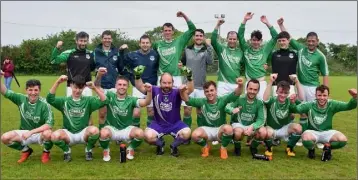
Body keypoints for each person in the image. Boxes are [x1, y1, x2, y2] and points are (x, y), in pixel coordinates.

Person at [278, 17, 329, 149]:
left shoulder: (320, 56)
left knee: (314, 112)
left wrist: (325, 91)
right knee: (301, 111)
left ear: (317, 42)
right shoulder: (301, 49)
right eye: (309, 41)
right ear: (306, 41)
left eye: (313, 41)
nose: (311, 43)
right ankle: (300, 135)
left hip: (313, 87)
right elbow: (288, 37)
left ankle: (316, 137)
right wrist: (281, 25)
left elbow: (325, 74)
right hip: (299, 86)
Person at [134, 65, 194, 157]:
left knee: (187, 133)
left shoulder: (178, 91)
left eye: (169, 83)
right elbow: (140, 87)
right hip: (158, 124)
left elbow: (190, 90)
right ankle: (160, 144)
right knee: (147, 136)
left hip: (175, 124)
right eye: (164, 83)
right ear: (160, 82)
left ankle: (173, 146)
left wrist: (189, 78)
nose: (166, 85)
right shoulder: (154, 89)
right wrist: (137, 76)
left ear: (173, 83)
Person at [94, 68, 152, 161]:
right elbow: (97, 87)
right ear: (116, 86)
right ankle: (106, 149)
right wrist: (99, 75)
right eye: (120, 84)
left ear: (128, 87)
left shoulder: (131, 99)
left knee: (140, 133)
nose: (122, 87)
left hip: (126, 130)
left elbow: (146, 102)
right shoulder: (109, 95)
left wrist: (149, 91)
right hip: (111, 129)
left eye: (124, 85)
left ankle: (130, 149)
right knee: (103, 133)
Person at [47, 75, 106, 162]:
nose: (78, 91)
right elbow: (50, 99)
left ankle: (88, 149)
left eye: (80, 88)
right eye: (75, 87)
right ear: (71, 86)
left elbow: (105, 100)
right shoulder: (64, 101)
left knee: (95, 130)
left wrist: (94, 88)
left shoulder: (88, 100)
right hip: (68, 134)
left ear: (84, 88)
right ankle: (67, 150)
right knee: (54, 136)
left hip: (83, 134)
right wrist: (58, 82)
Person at [180, 78, 243, 159]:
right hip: (206, 130)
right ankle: (205, 147)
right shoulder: (202, 102)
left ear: (216, 90)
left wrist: (240, 85)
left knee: (229, 129)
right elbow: (187, 100)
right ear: (204, 93)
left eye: (211, 90)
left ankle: (223, 148)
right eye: (207, 91)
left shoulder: (222, 100)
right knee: (195, 135)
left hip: (219, 129)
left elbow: (236, 93)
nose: (209, 93)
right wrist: (182, 91)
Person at [289, 85, 357, 161]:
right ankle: (311, 149)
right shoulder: (310, 105)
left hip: (327, 132)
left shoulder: (332, 104)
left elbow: (348, 106)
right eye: (319, 95)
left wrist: (354, 98)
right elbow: (296, 109)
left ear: (328, 96)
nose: (322, 98)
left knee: (342, 140)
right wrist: (292, 102)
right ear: (315, 95)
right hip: (313, 132)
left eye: (324, 95)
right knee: (305, 137)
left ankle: (327, 147)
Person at [0, 70, 54, 163]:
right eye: (30, 90)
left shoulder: (45, 104)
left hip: (39, 133)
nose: (33, 93)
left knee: (48, 134)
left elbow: (49, 124)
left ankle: (46, 152)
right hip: (25, 133)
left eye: (36, 90)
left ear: (39, 90)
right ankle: (26, 150)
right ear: (26, 90)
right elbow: (5, 92)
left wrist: (31, 132)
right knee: (5, 138)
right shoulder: (21, 99)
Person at [120, 35, 159, 128]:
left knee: (151, 112)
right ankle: (136, 133)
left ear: (150, 44)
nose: (145, 45)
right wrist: (121, 50)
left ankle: (150, 133)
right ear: (139, 44)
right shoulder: (133, 55)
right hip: (137, 87)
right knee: (136, 112)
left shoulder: (155, 54)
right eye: (143, 43)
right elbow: (122, 64)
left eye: (147, 43)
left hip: (151, 87)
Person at [238, 12, 279, 100]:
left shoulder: (265, 49)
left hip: (261, 83)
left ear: (261, 41)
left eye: (258, 40)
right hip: (249, 82)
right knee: (248, 107)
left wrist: (267, 23)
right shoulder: (246, 49)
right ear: (250, 40)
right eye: (254, 40)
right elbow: (240, 36)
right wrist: (245, 20)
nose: (256, 42)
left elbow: (276, 36)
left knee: (263, 104)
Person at [262, 73, 304, 157]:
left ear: (288, 93)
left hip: (285, 129)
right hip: (272, 129)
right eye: (281, 92)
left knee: (298, 128)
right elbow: (265, 99)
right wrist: (271, 81)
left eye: (285, 93)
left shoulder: (290, 100)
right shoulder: (272, 100)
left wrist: (297, 81)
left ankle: (289, 148)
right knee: (266, 131)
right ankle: (269, 148)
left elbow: (302, 98)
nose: (283, 95)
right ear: (276, 91)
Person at [153, 11, 196, 89]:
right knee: (161, 99)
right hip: (162, 76)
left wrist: (184, 16)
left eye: (169, 30)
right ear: (162, 32)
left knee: (178, 99)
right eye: (165, 30)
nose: (167, 32)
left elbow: (193, 29)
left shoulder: (179, 41)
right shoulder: (157, 44)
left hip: (176, 77)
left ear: (173, 32)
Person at [181, 29, 213, 130]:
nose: (198, 37)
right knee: (187, 110)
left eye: (200, 36)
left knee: (200, 110)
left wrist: (209, 46)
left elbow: (210, 61)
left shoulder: (206, 50)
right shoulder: (187, 49)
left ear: (203, 38)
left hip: (200, 86)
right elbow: (182, 64)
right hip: (187, 86)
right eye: (197, 35)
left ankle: (201, 133)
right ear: (193, 37)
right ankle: (186, 134)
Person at [225, 79, 267, 156]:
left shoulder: (260, 102)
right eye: (250, 89)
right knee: (238, 133)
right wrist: (232, 110)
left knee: (263, 132)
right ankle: (237, 148)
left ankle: (253, 147)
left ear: (258, 91)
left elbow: (261, 119)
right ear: (246, 89)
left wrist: (252, 127)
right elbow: (227, 107)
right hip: (239, 124)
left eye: (255, 90)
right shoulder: (239, 98)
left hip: (251, 125)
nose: (252, 91)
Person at [50, 31, 95, 97]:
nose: (83, 43)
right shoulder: (69, 53)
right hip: (72, 87)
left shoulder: (91, 54)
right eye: (81, 41)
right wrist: (57, 48)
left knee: (88, 107)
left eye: (85, 41)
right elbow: (53, 61)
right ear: (76, 41)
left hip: (87, 87)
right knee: (72, 107)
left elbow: (94, 67)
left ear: (87, 41)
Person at [94, 30, 122, 130]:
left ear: (112, 39)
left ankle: (117, 135)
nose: (107, 40)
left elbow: (121, 68)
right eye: (105, 38)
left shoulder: (116, 51)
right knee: (102, 113)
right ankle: (102, 133)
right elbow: (92, 67)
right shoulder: (96, 52)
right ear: (102, 39)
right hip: (101, 87)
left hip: (114, 86)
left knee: (116, 112)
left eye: (109, 38)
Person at [211, 19, 243, 97]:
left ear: (237, 40)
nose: (232, 41)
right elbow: (213, 40)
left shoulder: (241, 52)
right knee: (221, 107)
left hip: (236, 84)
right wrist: (217, 25)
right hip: (223, 84)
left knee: (235, 108)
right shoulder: (221, 49)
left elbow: (245, 66)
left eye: (234, 39)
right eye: (230, 39)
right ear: (227, 39)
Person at [269, 31, 298, 96]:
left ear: (288, 40)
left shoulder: (294, 54)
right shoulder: (274, 54)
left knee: (290, 105)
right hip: (276, 86)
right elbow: (266, 61)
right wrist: (266, 64)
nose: (281, 42)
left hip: (291, 86)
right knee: (276, 105)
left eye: (283, 40)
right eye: (279, 41)